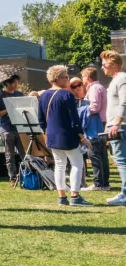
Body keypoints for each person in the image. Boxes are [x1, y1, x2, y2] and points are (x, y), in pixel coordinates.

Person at [37, 65, 93, 207]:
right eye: (66, 77)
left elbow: (41, 120)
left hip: (52, 136)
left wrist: (46, 133)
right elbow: (74, 119)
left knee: (60, 166)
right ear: (58, 79)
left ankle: (62, 197)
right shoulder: (67, 95)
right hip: (67, 135)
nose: (68, 80)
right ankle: (75, 195)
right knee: (76, 164)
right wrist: (82, 137)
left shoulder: (43, 96)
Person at [101, 50, 126, 206]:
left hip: (120, 126)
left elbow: (124, 102)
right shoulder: (115, 80)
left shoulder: (121, 78)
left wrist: (116, 122)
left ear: (114, 65)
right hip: (114, 124)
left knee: (121, 161)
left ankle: (124, 194)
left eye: (105, 64)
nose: (102, 67)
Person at [0, 75, 25, 186]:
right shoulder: (0, 96)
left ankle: (27, 175)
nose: (16, 85)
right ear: (7, 83)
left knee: (24, 154)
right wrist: (7, 110)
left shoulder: (20, 95)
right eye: (14, 83)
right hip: (7, 129)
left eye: (17, 83)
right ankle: (12, 178)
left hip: (20, 128)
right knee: (9, 155)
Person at [80, 67, 110, 191]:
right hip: (101, 124)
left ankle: (98, 183)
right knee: (102, 154)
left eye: (82, 77)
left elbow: (95, 107)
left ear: (87, 77)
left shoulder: (94, 88)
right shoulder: (100, 87)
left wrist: (80, 110)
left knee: (94, 153)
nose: (82, 79)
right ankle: (104, 183)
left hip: (95, 125)